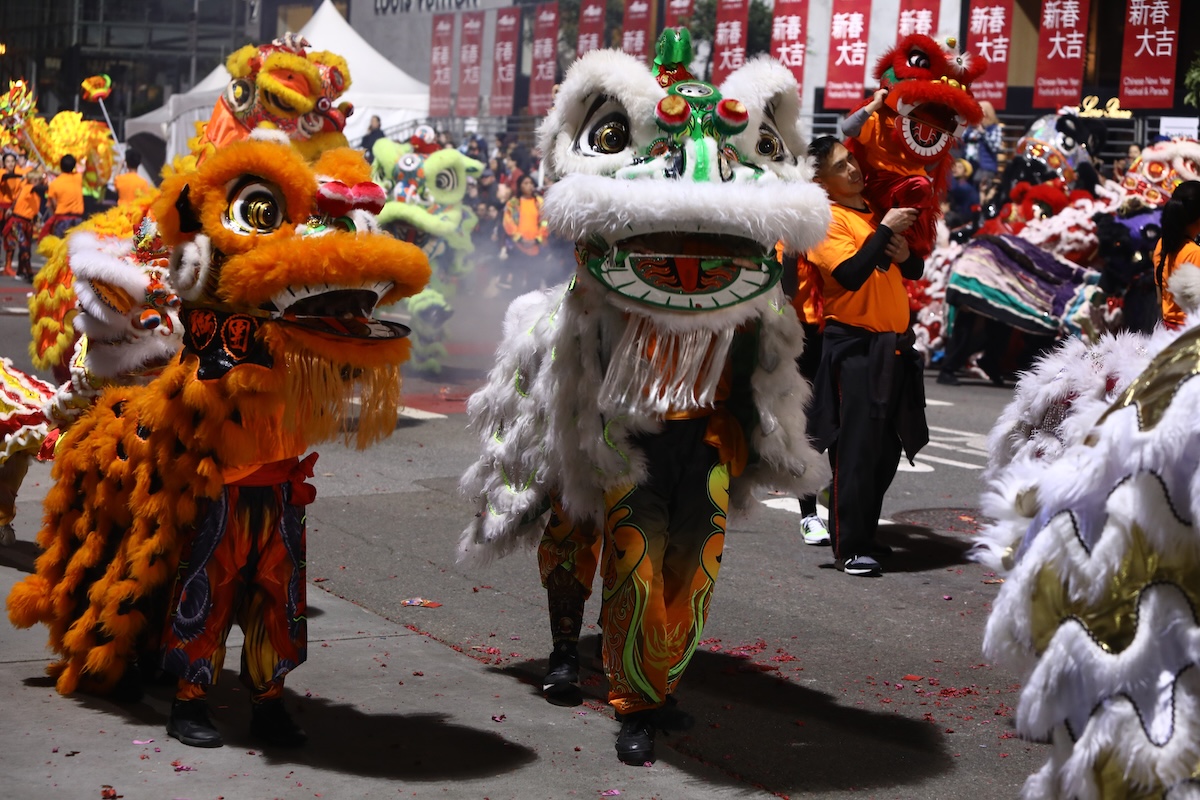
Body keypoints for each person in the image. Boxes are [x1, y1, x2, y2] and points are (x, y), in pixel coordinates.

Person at [805, 136, 929, 577]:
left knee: (885, 451)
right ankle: (850, 545)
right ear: (821, 181)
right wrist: (885, 233)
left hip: (893, 345)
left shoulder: (874, 214)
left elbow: (911, 270)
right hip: (855, 346)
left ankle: (865, 533)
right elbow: (851, 274)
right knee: (855, 451)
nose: (854, 169)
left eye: (852, 160)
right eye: (841, 166)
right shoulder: (825, 221)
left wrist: (905, 251)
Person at [1152, 179, 1200, 330]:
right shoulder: (1194, 253)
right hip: (1191, 336)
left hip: (1168, 333)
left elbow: (1160, 300)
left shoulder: (1162, 243)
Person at [501, 174, 547, 290]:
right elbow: (508, 222)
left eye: (531, 183)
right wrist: (520, 239)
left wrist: (537, 239)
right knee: (517, 277)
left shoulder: (540, 202)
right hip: (518, 245)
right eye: (525, 183)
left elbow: (545, 222)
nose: (529, 186)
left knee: (534, 278)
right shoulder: (513, 203)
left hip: (536, 246)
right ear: (519, 186)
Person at [3, 166, 42, 279]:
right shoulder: (29, 187)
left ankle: (21, 270)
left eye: (38, 180)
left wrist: (35, 221)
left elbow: (33, 209)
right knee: (24, 246)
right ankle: (28, 272)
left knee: (27, 247)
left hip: (27, 223)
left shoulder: (35, 194)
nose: (37, 183)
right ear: (31, 180)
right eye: (35, 180)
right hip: (18, 222)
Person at [42, 154, 85, 239]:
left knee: (61, 247)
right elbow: (70, 174)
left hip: (62, 220)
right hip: (78, 220)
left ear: (61, 166)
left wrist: (51, 171)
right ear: (73, 166)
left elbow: (53, 204)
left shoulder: (54, 184)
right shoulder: (78, 178)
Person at [962, 101, 1003, 189]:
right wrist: (971, 128)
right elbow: (962, 139)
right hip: (969, 166)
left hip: (986, 168)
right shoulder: (972, 128)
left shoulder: (994, 128)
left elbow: (995, 147)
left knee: (979, 185)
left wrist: (983, 133)